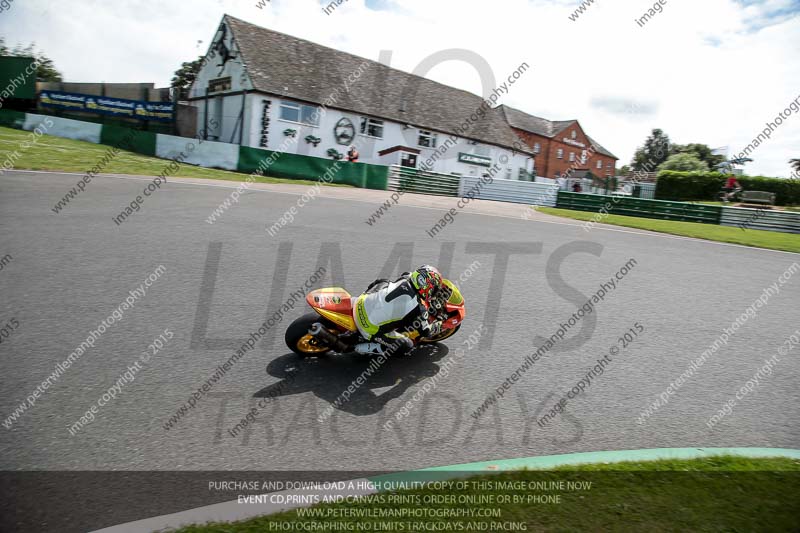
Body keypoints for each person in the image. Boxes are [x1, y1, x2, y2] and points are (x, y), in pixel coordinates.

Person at [352, 265, 450, 356]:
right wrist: (439, 325)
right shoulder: (419, 310)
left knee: (384, 281)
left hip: (359, 303)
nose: (434, 293)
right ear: (427, 287)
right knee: (407, 345)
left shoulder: (405, 278)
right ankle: (372, 348)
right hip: (368, 327)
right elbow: (426, 332)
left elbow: (407, 274)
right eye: (434, 290)